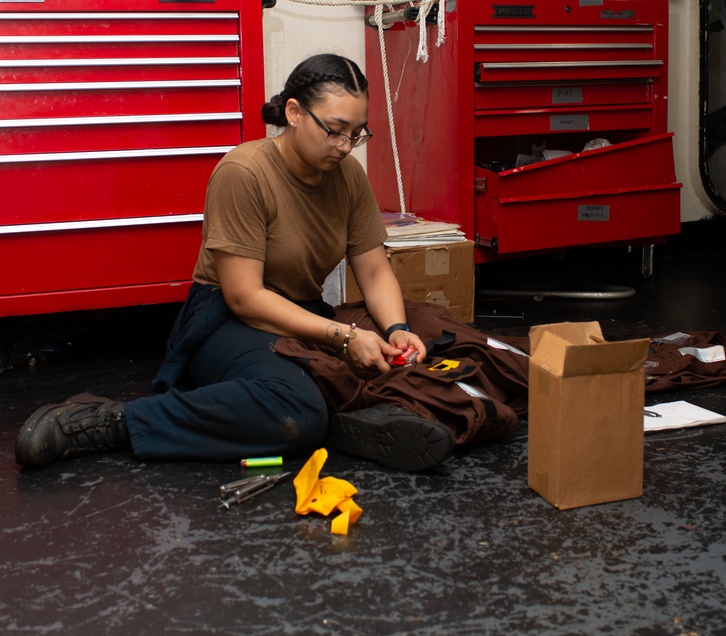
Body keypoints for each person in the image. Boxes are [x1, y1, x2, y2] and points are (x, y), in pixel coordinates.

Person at [15, 54, 455, 472]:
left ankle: (339, 414)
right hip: (226, 319)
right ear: (295, 112)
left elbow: (374, 269)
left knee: (435, 330)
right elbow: (245, 298)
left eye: (357, 133)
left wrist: (397, 331)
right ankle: (112, 422)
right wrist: (344, 337)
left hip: (301, 313)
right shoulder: (243, 172)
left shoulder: (349, 176)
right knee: (296, 411)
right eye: (335, 130)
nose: (345, 146)